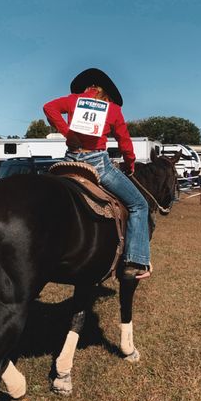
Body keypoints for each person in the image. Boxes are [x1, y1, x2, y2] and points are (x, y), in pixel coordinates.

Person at [43, 67, 150, 279]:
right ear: (106, 91)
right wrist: (130, 164)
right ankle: (135, 261)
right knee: (139, 205)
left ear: (86, 87)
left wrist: (67, 134)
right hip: (97, 164)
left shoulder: (73, 100)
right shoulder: (112, 109)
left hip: (69, 161)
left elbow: (48, 107)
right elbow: (125, 143)